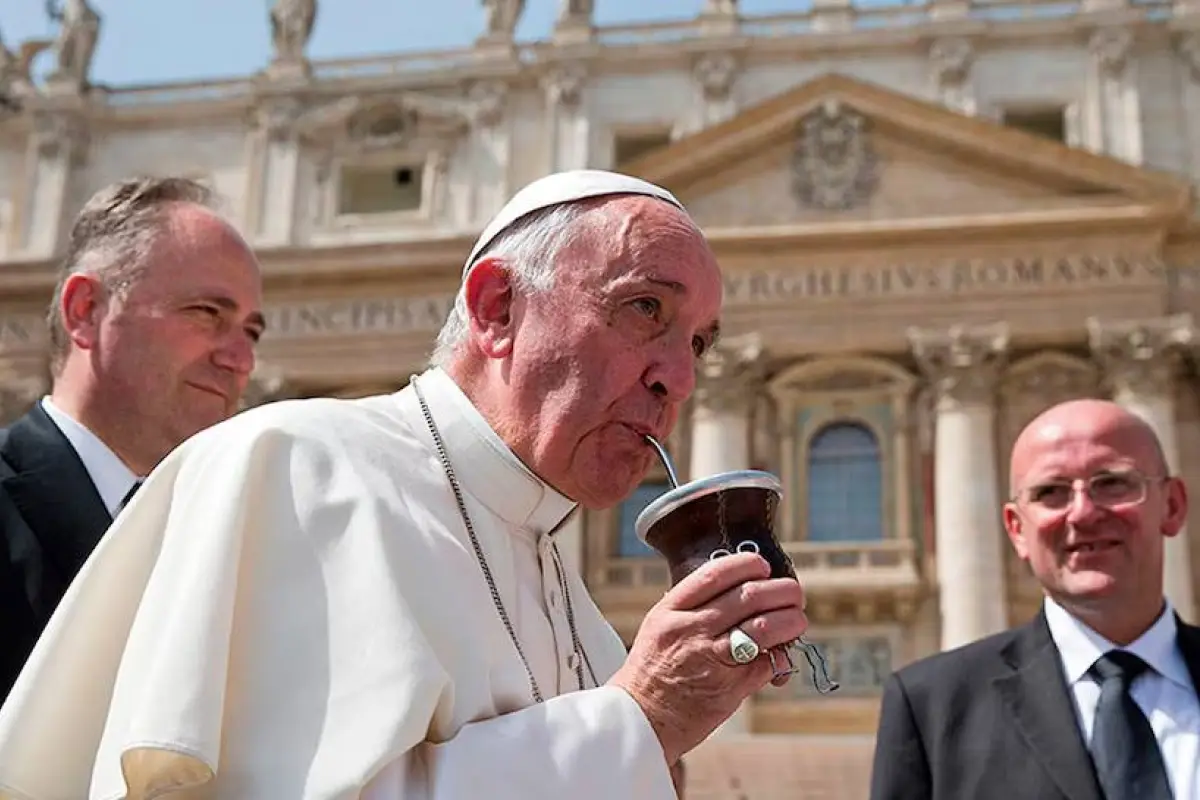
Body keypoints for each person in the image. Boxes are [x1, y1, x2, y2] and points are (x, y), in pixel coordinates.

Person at [0, 170, 808, 799]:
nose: (679, 378)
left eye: (699, 343)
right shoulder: (292, 470)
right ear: (496, 309)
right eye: (644, 309)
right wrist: (638, 721)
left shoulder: (582, 614)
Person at [0, 175, 264, 705]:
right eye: (207, 314)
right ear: (86, 312)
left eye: (251, 332)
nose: (240, 360)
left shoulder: (232, 542)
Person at [869, 398, 1200, 800]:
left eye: (1112, 482)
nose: (1082, 513)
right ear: (1016, 529)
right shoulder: (932, 708)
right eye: (1051, 492)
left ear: (1173, 505)